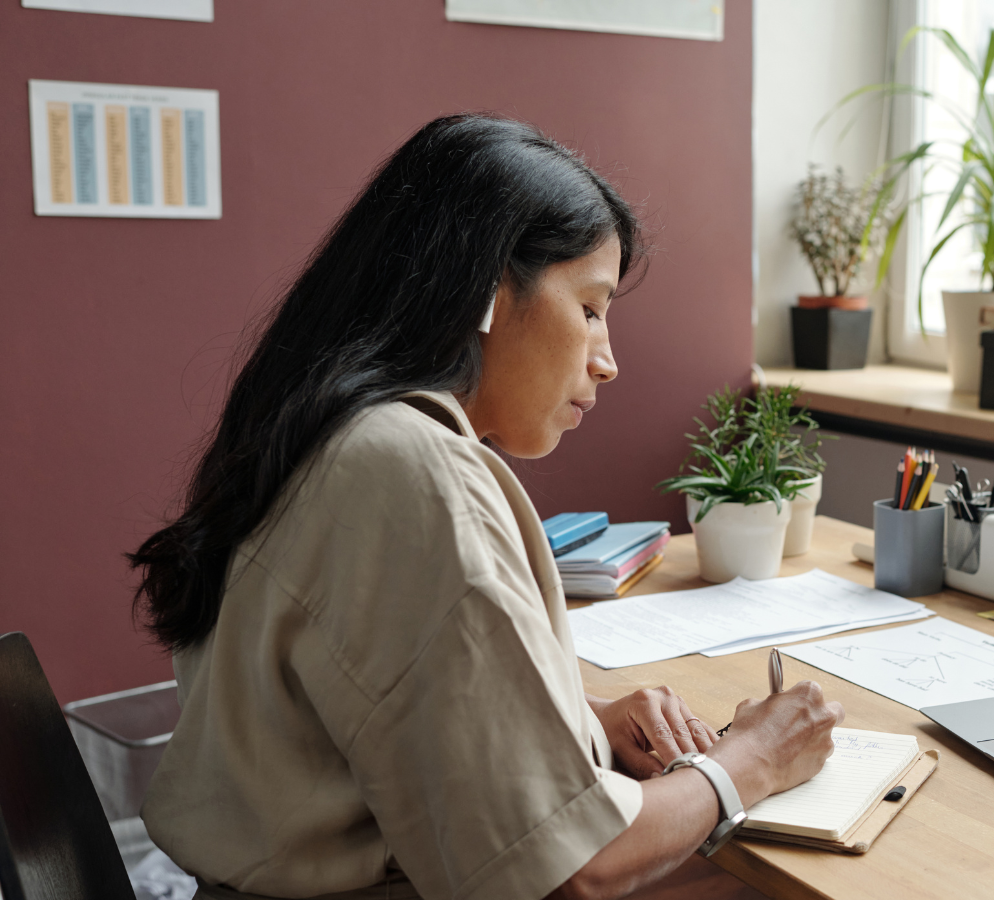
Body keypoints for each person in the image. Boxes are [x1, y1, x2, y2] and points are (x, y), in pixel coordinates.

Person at [131, 114, 842, 900]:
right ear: (487, 291)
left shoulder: (315, 432)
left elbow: (350, 707)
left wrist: (579, 717)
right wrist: (752, 759)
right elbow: (573, 870)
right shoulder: (410, 468)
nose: (608, 361)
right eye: (592, 308)